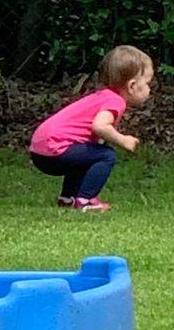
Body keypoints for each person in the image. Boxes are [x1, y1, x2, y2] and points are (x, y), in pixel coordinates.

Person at [28, 45, 154, 211]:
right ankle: (85, 200)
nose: (149, 89)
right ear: (131, 86)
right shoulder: (115, 101)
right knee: (106, 155)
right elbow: (100, 126)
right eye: (147, 83)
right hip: (54, 150)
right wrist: (123, 140)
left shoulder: (102, 96)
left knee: (90, 153)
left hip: (40, 149)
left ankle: (68, 198)